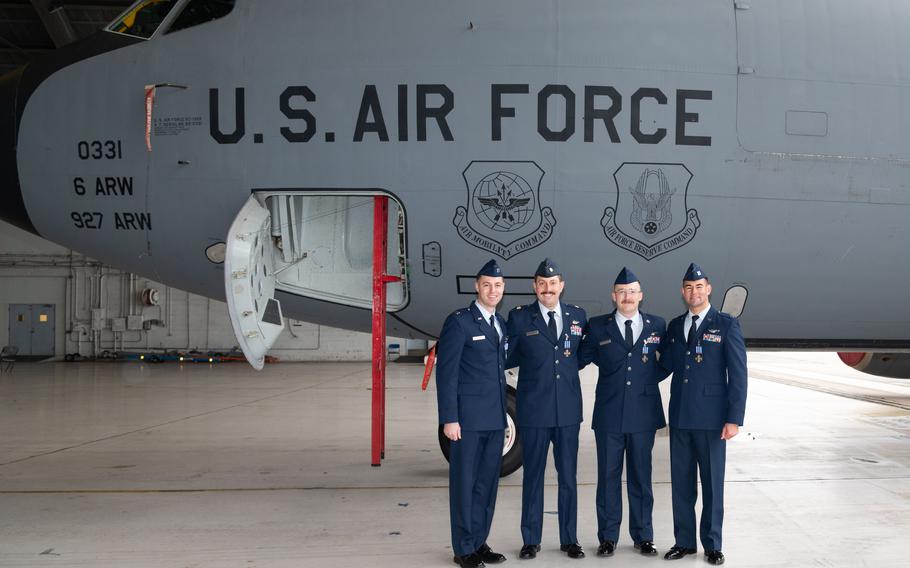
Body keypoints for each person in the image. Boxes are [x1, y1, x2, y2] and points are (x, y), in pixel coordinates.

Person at [578, 267, 669, 557]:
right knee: (608, 477)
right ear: (613, 296)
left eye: (632, 292)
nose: (627, 297)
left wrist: (646, 380)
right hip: (609, 414)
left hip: (643, 414)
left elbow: (667, 361)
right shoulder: (597, 326)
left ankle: (644, 536)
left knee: (642, 476)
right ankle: (608, 537)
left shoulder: (658, 325)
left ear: (641, 295)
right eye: (621, 292)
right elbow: (579, 359)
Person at [661, 263, 747, 566]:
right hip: (681, 417)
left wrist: (733, 418)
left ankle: (712, 544)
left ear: (708, 289)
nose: (693, 292)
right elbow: (665, 366)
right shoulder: (675, 326)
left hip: (712, 420)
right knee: (681, 484)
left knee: (712, 484)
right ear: (682, 292)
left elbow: (738, 374)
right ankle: (683, 542)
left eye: (699, 287)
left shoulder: (725, 324)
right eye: (688, 287)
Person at [506, 258, 587, 560]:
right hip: (534, 411)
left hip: (567, 411)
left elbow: (580, 355)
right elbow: (506, 355)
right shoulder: (520, 318)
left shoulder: (578, 316)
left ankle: (570, 539)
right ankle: (531, 539)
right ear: (535, 287)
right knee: (533, 477)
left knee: (568, 477)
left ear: (561, 286)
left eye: (553, 284)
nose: (548, 289)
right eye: (542, 284)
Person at [436, 259, 510, 568]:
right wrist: (449, 418)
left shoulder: (499, 323)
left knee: (487, 484)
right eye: (487, 285)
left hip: (494, 419)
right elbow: (447, 373)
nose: (492, 290)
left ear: (502, 289)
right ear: (476, 287)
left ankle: (479, 542)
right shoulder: (460, 322)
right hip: (466, 421)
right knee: (464, 484)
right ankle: (463, 548)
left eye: (497, 286)